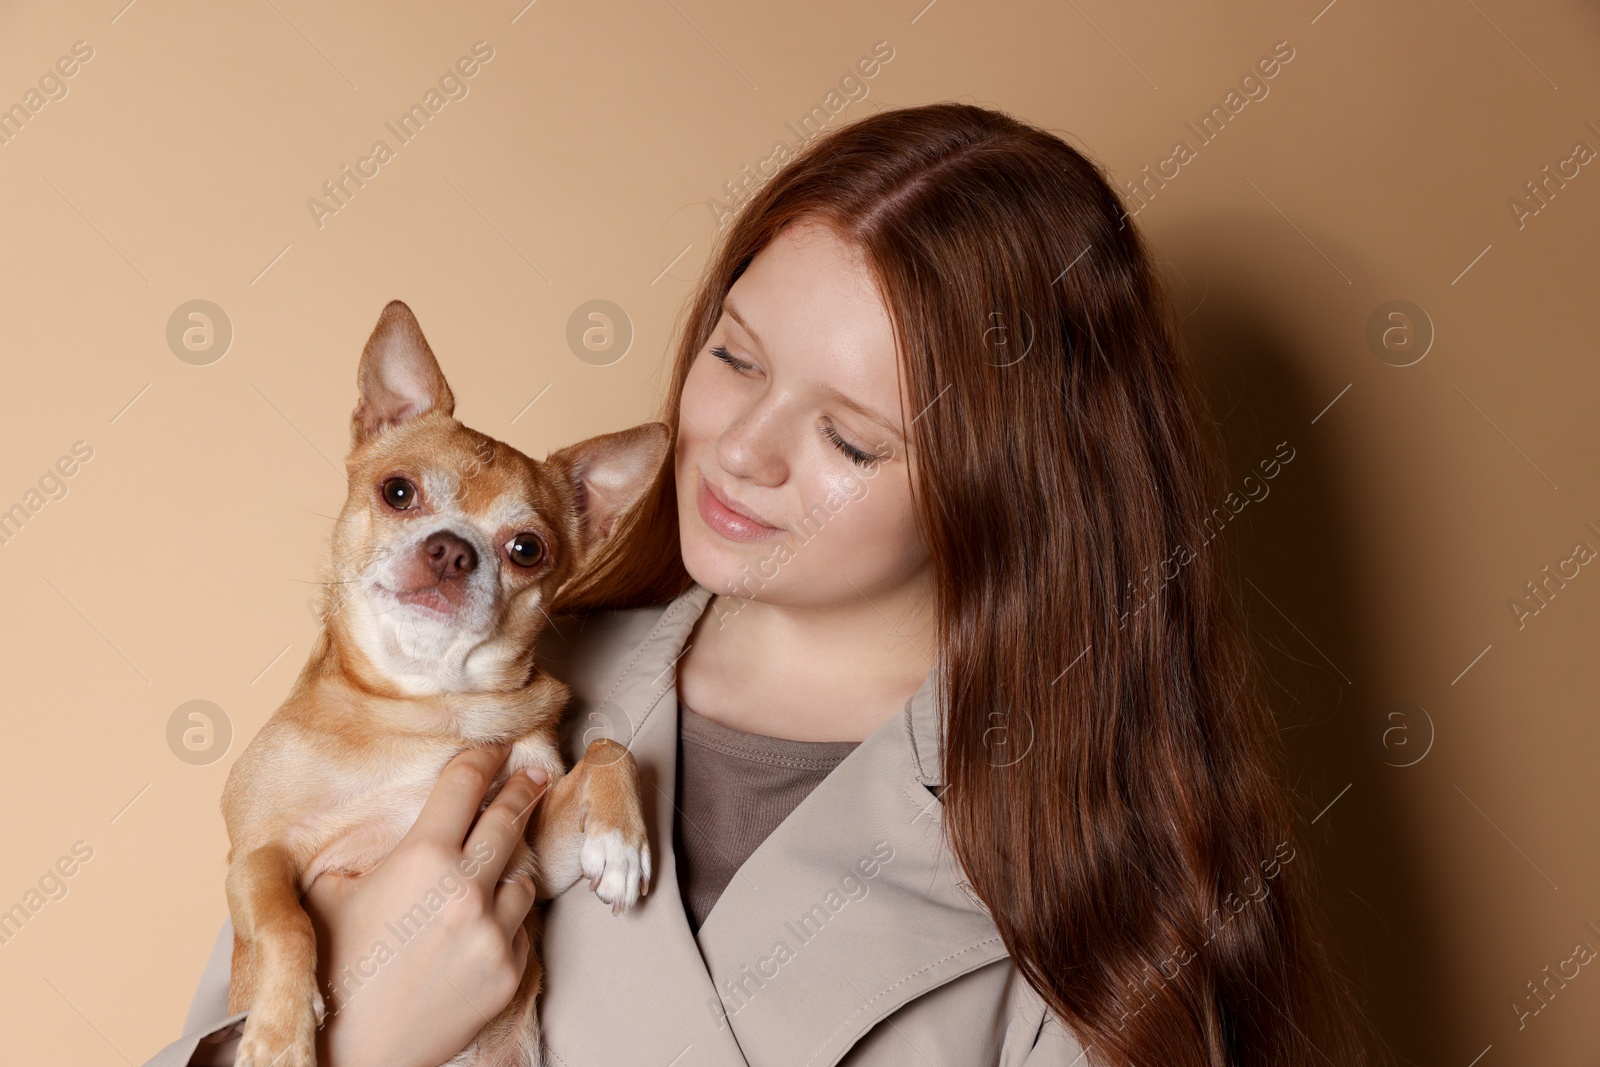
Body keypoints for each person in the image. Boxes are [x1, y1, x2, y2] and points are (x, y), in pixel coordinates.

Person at [143, 102, 1372, 1067]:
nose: (739, 448)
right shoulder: (463, 696)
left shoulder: (1086, 860)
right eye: (734, 354)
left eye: (849, 438)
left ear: (1009, 490)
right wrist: (356, 1034)